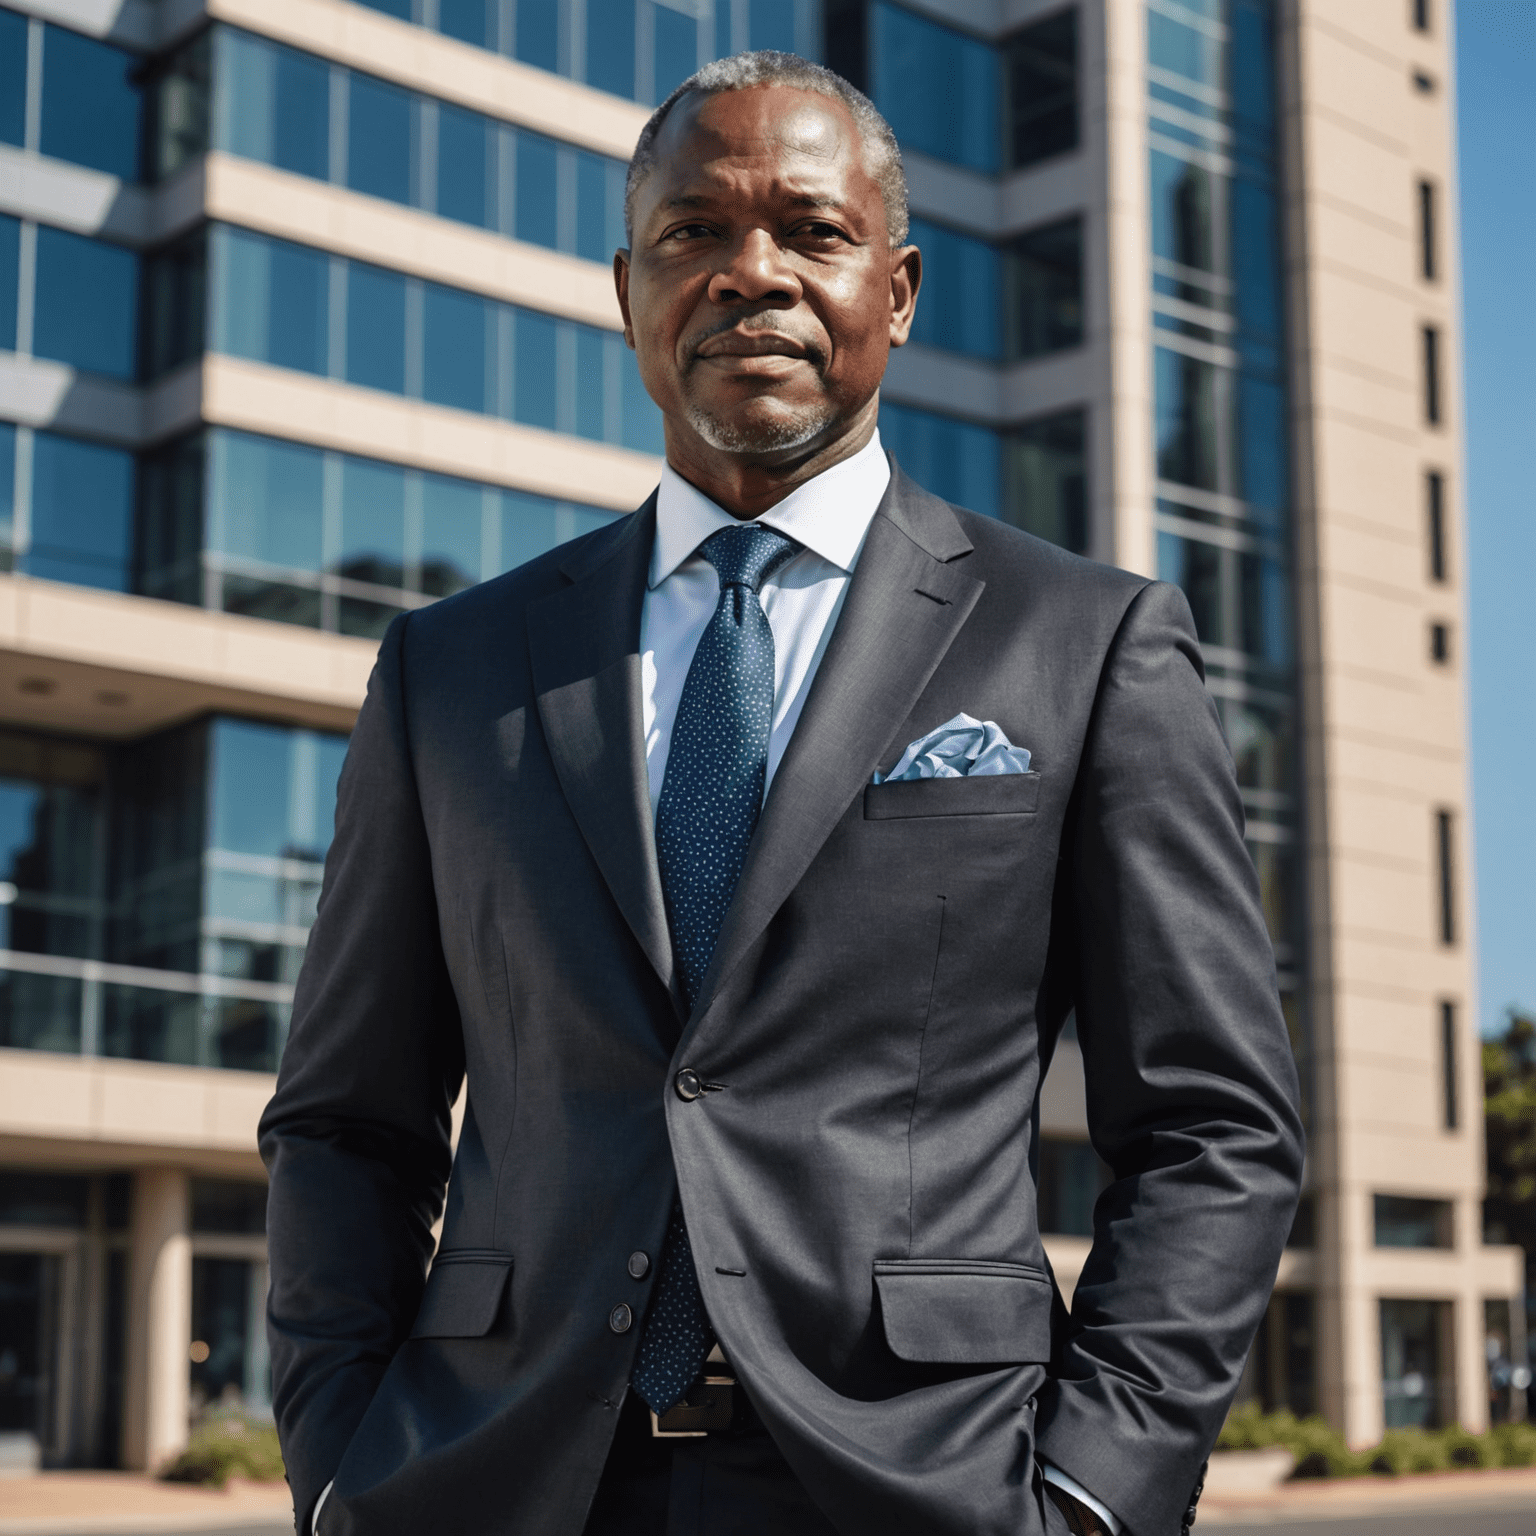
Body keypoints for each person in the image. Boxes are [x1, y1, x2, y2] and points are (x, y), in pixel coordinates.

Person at [259, 51, 1304, 1536]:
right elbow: (347, 1122)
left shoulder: (1083, 644)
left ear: (899, 289)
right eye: (694, 232)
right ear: (629, 291)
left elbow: (1213, 1125)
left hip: (926, 1481)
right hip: (494, 1480)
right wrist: (335, 1470)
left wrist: (1096, 1495)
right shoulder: (453, 669)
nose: (751, 273)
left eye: (811, 231)